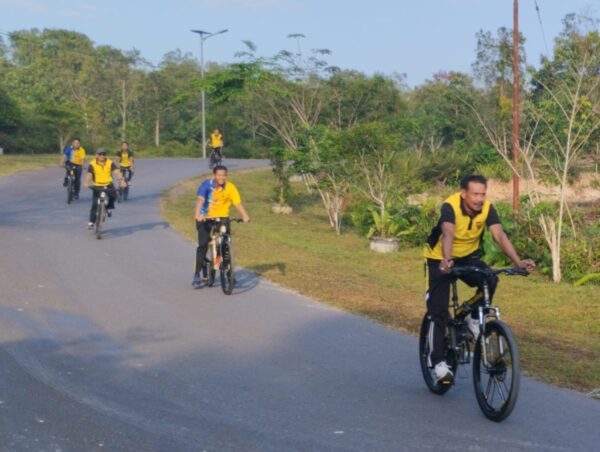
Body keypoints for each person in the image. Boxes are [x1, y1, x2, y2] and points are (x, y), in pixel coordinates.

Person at [423, 175, 535, 385]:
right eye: (475, 194)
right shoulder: (451, 206)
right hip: (440, 257)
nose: (479, 199)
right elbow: (448, 233)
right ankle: (437, 362)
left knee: (490, 279)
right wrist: (447, 261)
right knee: (438, 310)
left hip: (467, 256)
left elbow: (499, 235)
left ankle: (474, 319)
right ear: (464, 193)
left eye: (482, 194)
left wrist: (518, 262)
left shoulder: (487, 208)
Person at [192, 165, 250, 287]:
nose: (221, 177)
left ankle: (229, 273)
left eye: (224, 175)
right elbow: (201, 200)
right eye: (219, 175)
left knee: (226, 242)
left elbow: (237, 203)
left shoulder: (230, 187)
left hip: (222, 218)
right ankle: (197, 274)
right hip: (205, 218)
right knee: (203, 245)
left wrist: (245, 216)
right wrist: (198, 214)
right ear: (214, 175)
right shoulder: (207, 185)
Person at [84, 148, 127, 229]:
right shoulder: (92, 164)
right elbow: (89, 174)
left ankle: (109, 208)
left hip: (108, 184)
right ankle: (91, 222)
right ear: (96, 155)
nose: (102, 156)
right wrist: (86, 182)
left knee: (113, 195)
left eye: (103, 154)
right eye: (100, 154)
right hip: (97, 186)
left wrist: (121, 180)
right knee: (94, 204)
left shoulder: (109, 163)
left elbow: (117, 172)